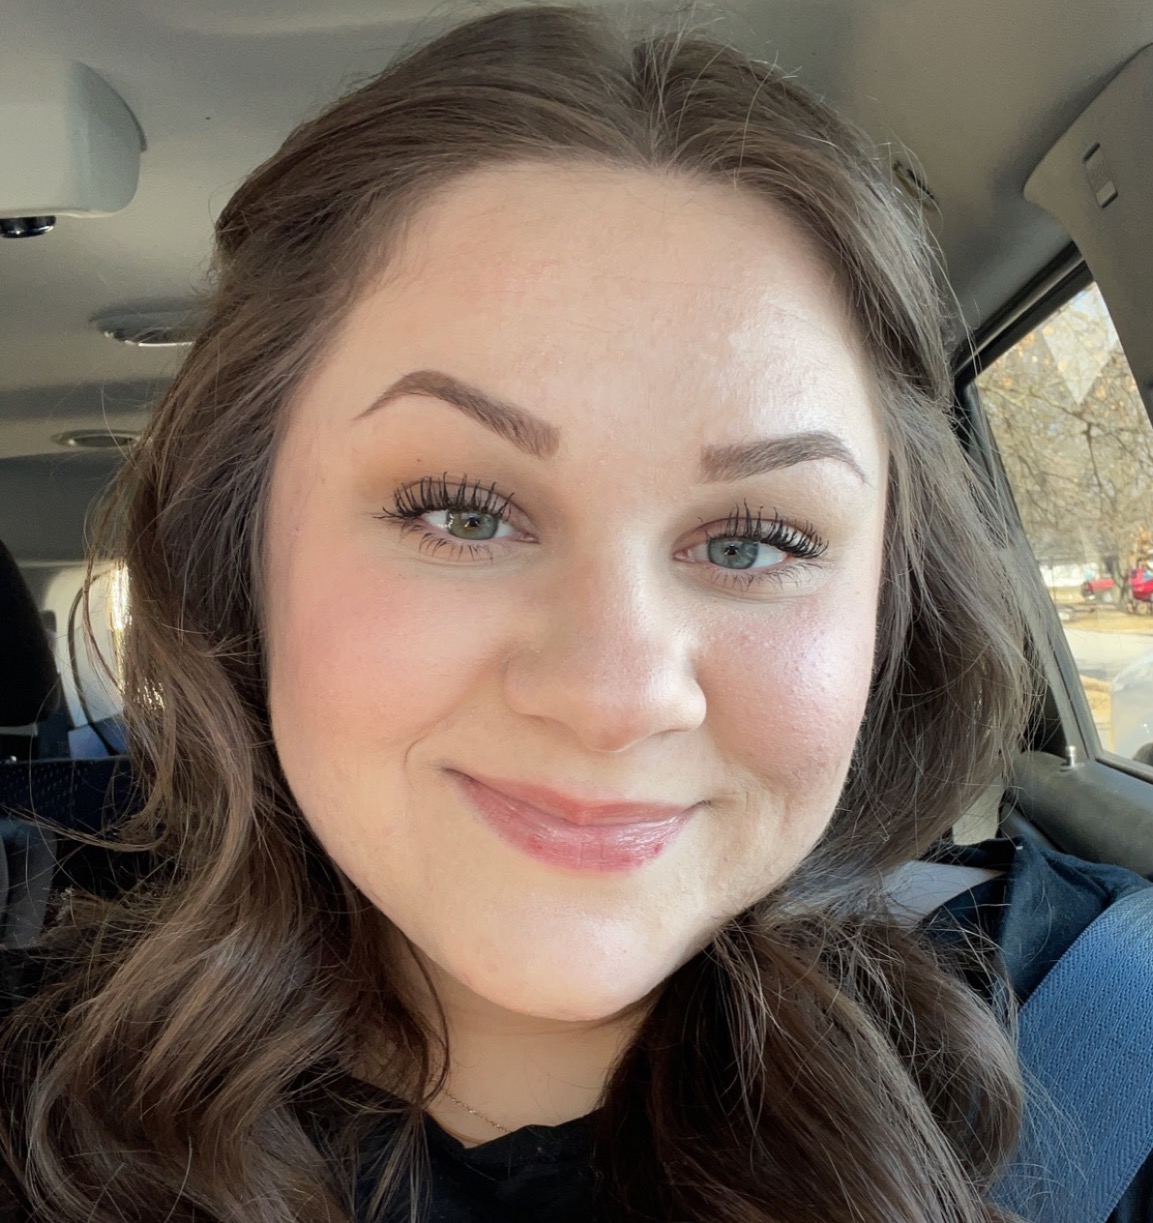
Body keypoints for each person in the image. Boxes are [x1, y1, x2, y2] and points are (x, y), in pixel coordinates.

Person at [0, 6, 1149, 1222]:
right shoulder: (38, 1117)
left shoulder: (1106, 1029)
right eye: (461, 513)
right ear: (241, 559)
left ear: (887, 613)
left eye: (753, 541)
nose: (614, 695)